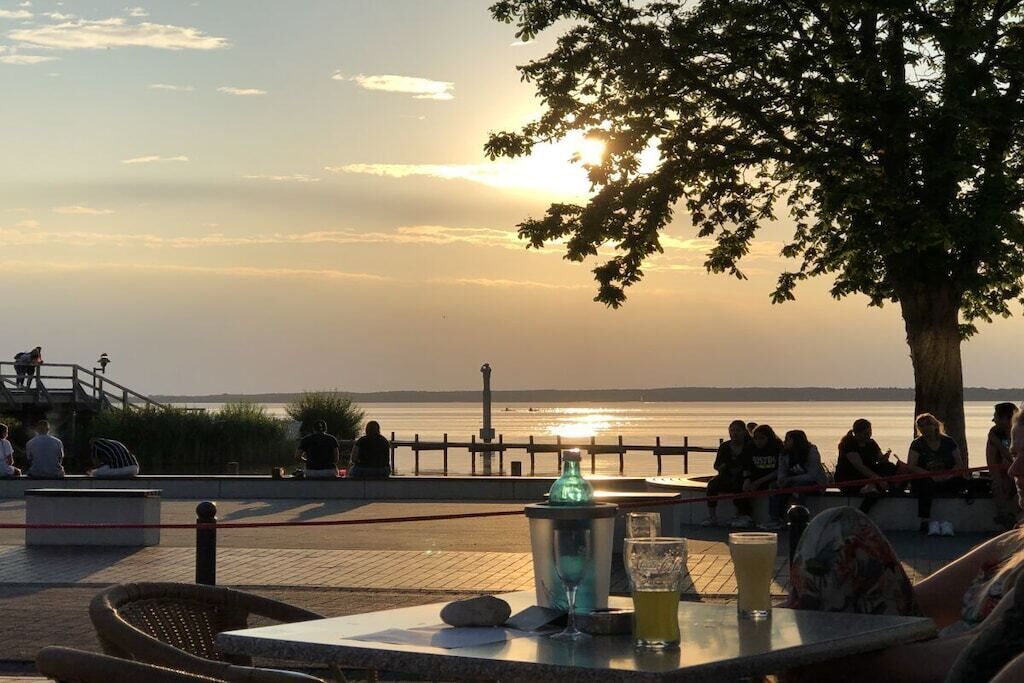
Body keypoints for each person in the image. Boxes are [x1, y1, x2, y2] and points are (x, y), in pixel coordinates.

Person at [783, 421, 1024, 682]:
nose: (1013, 469)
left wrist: (834, 663)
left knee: (837, 530)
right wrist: (780, 624)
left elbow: (975, 655)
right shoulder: (1013, 543)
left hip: (939, 671)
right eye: (1015, 455)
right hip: (913, 656)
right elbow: (913, 605)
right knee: (839, 528)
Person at [907, 413, 966, 537]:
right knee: (926, 485)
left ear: (935, 425)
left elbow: (959, 463)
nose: (925, 428)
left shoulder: (948, 442)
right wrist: (930, 475)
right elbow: (912, 466)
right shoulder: (917, 444)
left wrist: (948, 475)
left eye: (928, 424)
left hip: (947, 477)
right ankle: (924, 520)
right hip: (926, 478)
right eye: (921, 426)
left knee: (962, 482)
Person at [834, 418, 901, 514]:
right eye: (865, 433)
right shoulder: (848, 444)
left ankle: (878, 487)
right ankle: (862, 510)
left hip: (868, 475)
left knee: (890, 467)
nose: (868, 436)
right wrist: (878, 479)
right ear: (857, 433)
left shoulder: (871, 443)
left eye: (870, 433)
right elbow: (859, 465)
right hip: (850, 475)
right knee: (874, 491)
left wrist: (884, 457)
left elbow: (879, 459)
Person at [766, 429, 826, 530]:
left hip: (814, 483)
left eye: (788, 440)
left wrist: (790, 479)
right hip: (792, 481)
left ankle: (799, 519)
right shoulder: (784, 454)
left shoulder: (811, 452)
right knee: (774, 487)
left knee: (798, 488)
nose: (784, 442)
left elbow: (812, 475)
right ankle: (776, 519)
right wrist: (781, 480)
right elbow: (782, 471)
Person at [702, 420, 753, 527]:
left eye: (738, 431)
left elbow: (750, 465)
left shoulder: (750, 446)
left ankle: (743, 515)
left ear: (744, 432)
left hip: (745, 476)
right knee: (712, 484)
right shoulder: (724, 446)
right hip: (726, 475)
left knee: (740, 484)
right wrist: (722, 467)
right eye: (732, 430)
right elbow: (716, 465)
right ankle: (712, 516)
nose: (734, 433)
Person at [735, 424, 782, 528]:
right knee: (740, 485)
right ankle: (745, 515)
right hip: (755, 477)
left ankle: (775, 519)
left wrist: (759, 481)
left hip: (772, 477)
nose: (758, 441)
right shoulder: (750, 448)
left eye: (762, 438)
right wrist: (747, 479)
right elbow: (746, 466)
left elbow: (779, 470)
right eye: (756, 438)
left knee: (774, 488)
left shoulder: (777, 448)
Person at [988, 402, 1020, 530]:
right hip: (1004, 472)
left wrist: (998, 444)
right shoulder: (995, 432)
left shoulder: (1020, 432)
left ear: (1007, 418)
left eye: (996, 416)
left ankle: (1012, 519)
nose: (993, 419)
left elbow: (1016, 459)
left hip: (1019, 472)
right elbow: (991, 460)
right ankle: (1006, 520)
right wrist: (998, 480)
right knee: (997, 487)